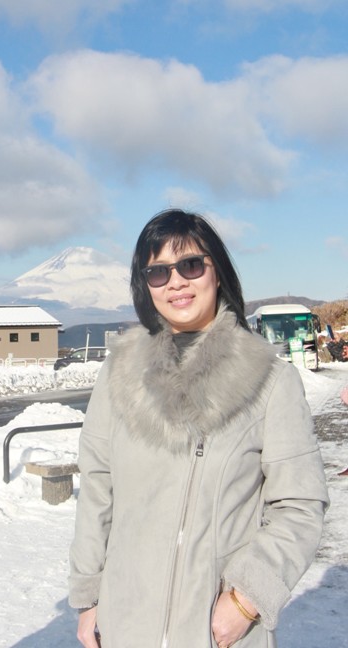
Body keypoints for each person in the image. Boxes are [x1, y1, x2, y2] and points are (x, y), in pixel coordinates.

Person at [69, 209, 329, 648]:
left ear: (217, 271)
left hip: (218, 632)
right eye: (158, 271)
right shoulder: (118, 374)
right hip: (124, 624)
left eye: (190, 265)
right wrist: (89, 597)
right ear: (145, 285)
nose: (175, 282)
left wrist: (246, 599)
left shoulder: (270, 380)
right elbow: (97, 489)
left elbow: (300, 504)